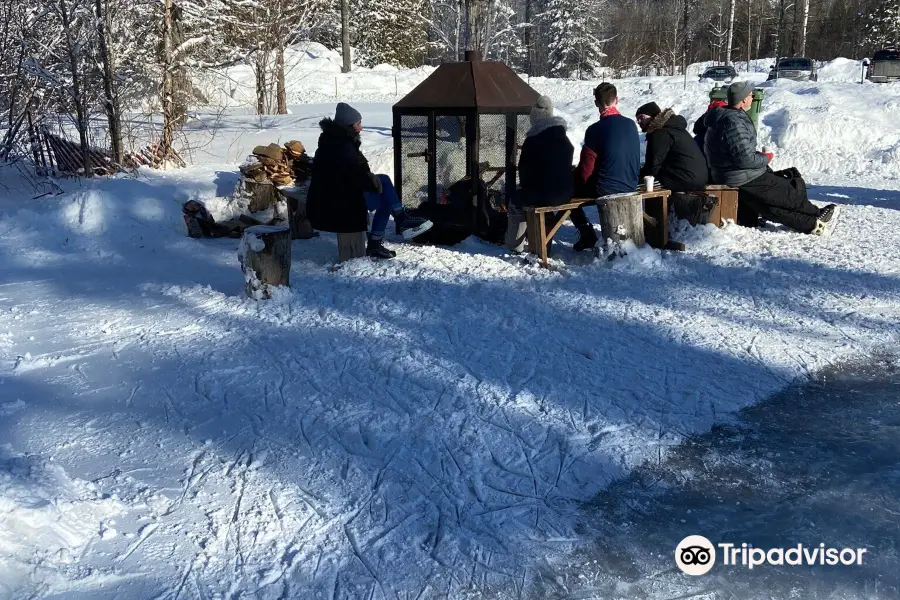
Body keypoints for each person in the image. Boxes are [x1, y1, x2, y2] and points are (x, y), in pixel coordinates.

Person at [704, 82, 839, 235]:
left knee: (768, 205)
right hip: (739, 174)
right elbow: (745, 160)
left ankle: (811, 223)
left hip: (734, 173)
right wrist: (766, 158)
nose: (752, 98)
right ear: (742, 100)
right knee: (786, 192)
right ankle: (815, 214)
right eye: (750, 95)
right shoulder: (732, 122)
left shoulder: (730, 117)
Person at [307, 102, 433, 259]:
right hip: (338, 201)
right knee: (385, 194)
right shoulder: (342, 146)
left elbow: (349, 173)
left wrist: (370, 179)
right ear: (348, 125)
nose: (361, 127)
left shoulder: (334, 141)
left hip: (334, 193)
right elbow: (353, 175)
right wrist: (371, 181)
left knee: (385, 184)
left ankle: (397, 222)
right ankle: (390, 229)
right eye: (358, 123)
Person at [569, 83, 641, 251]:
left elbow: (586, 169)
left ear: (596, 103)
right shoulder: (631, 125)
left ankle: (586, 233)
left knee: (567, 192)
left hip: (607, 188)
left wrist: (577, 182)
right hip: (631, 183)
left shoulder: (594, 130)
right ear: (617, 99)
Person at [505, 96, 574, 254]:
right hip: (565, 193)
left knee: (516, 200)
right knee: (540, 193)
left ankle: (515, 245)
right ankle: (542, 239)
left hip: (544, 195)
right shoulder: (564, 138)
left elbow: (524, 173)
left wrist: (525, 187)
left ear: (534, 119)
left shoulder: (533, 140)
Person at [635, 102, 708, 192]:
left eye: (641, 118)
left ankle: (657, 206)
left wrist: (636, 177)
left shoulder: (660, 133)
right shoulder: (674, 127)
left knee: (648, 183)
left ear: (652, 116)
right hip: (699, 177)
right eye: (637, 119)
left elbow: (653, 166)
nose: (639, 122)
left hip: (687, 179)